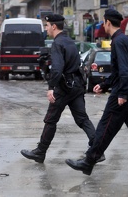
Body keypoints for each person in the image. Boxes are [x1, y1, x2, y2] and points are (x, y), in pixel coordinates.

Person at [65, 9, 128, 177]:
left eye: (103, 22)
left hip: (124, 91)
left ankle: (89, 161)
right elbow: (122, 70)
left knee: (106, 125)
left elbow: (124, 70)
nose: (102, 25)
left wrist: (121, 93)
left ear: (108, 22)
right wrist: (104, 84)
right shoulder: (124, 40)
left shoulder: (118, 41)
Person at [20, 14, 104, 164]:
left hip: (64, 87)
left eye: (47, 26)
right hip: (76, 86)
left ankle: (40, 152)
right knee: (82, 119)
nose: (45, 29)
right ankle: (97, 150)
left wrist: (51, 87)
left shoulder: (57, 43)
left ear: (53, 26)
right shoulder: (69, 41)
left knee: (50, 119)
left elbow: (57, 69)